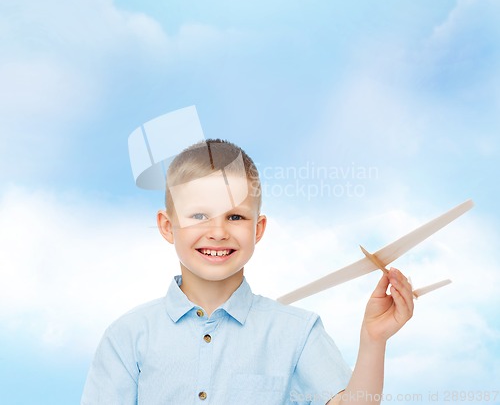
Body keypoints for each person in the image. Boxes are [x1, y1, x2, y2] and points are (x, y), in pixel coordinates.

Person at [81, 139, 414, 405]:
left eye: (235, 217)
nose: (217, 231)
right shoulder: (127, 336)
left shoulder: (297, 333)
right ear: (168, 227)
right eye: (199, 215)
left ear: (258, 228)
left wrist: (374, 339)